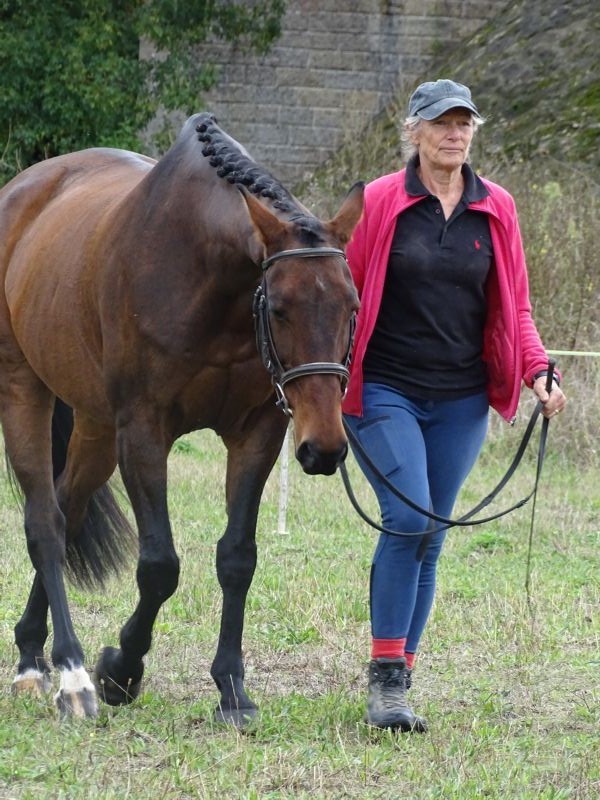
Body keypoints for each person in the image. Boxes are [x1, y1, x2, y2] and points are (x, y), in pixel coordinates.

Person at [342, 78, 567, 733]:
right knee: (409, 519)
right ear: (414, 131)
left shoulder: (496, 206)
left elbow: (516, 306)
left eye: (464, 122)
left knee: (433, 533)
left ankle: (400, 676)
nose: (455, 133)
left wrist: (536, 369)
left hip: (462, 398)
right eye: (442, 122)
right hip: (382, 388)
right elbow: (340, 295)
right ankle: (385, 681)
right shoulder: (379, 201)